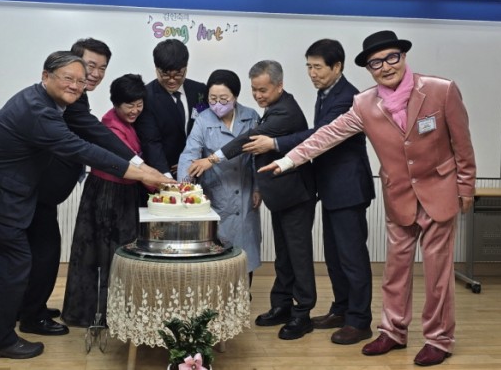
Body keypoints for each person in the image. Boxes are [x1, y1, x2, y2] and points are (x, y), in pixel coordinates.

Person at [259, 30, 476, 366]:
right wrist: (288, 160)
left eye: (392, 58)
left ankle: (438, 338)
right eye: (376, 63)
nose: (385, 67)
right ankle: (393, 331)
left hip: (439, 192)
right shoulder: (364, 103)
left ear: (403, 57)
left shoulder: (440, 90)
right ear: (368, 69)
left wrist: (465, 187)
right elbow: (328, 134)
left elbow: (462, 144)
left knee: (437, 275)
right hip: (399, 195)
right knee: (395, 272)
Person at [0, 52, 171, 359]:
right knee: (14, 265)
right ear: (46, 76)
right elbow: (83, 149)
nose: (77, 85)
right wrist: (143, 173)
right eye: (69, 78)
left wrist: (143, 169)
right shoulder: (39, 112)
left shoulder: (43, 101)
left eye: (81, 81)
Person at [18, 38, 156, 336]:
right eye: (89, 66)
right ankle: (30, 316)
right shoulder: (67, 104)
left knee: (42, 252)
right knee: (44, 253)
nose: (93, 74)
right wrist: (142, 169)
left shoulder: (74, 99)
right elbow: (95, 142)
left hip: (40, 192)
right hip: (31, 190)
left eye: (101, 68)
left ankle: (30, 308)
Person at [242, 39, 376, 345]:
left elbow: (321, 134)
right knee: (334, 256)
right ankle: (341, 310)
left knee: (352, 257)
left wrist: (275, 144)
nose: (312, 73)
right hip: (330, 186)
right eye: (309, 66)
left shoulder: (348, 97)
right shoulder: (325, 92)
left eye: (318, 67)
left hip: (348, 188)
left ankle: (359, 321)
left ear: (337, 66)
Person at [188, 60, 317, 341]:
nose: (258, 95)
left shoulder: (285, 111)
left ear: (279, 86)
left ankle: (302, 313)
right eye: (254, 90)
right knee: (284, 254)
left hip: (296, 194)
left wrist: (212, 159)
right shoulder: (267, 108)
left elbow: (248, 139)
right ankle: (282, 305)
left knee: (298, 255)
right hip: (279, 194)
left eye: (263, 90)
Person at [62, 74, 147, 327]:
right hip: (108, 194)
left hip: (125, 192)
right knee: (103, 254)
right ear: (115, 103)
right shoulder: (110, 127)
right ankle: (95, 314)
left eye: (139, 104)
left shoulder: (130, 122)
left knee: (120, 254)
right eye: (129, 105)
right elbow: (130, 165)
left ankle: (118, 312)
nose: (135, 110)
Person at [177, 69, 262, 277]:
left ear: (235, 96)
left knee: (245, 252)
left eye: (223, 99)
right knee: (218, 255)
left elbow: (257, 157)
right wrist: (185, 187)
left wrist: (258, 187)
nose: (217, 104)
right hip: (217, 193)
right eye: (212, 99)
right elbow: (189, 154)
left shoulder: (251, 117)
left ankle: (245, 294)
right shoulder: (203, 120)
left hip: (245, 191)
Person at [135, 39, 207, 180]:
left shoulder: (200, 91)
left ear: (186, 68)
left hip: (199, 171)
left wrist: (194, 161)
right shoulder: (146, 97)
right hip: (164, 174)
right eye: (165, 74)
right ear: (156, 69)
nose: (172, 80)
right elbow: (151, 142)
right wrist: (166, 176)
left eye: (178, 74)